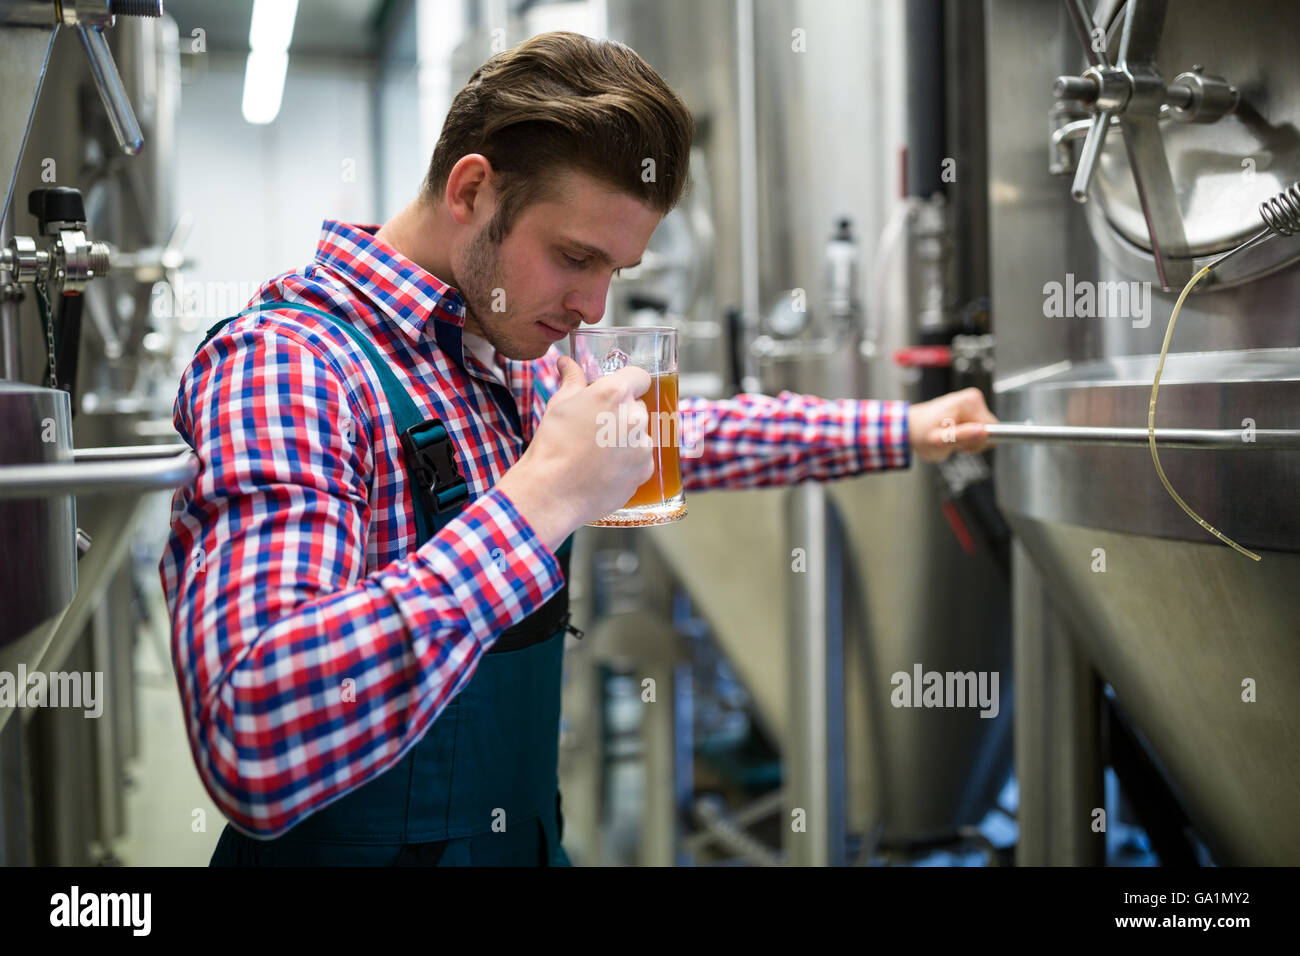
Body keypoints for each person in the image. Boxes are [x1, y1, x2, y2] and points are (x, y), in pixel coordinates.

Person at [159, 30, 997, 867]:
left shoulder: (499, 353)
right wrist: (544, 499)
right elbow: (253, 736)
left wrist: (903, 430)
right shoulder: (288, 365)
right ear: (473, 190)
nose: (593, 308)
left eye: (616, 272)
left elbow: (681, 439)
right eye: (574, 257)